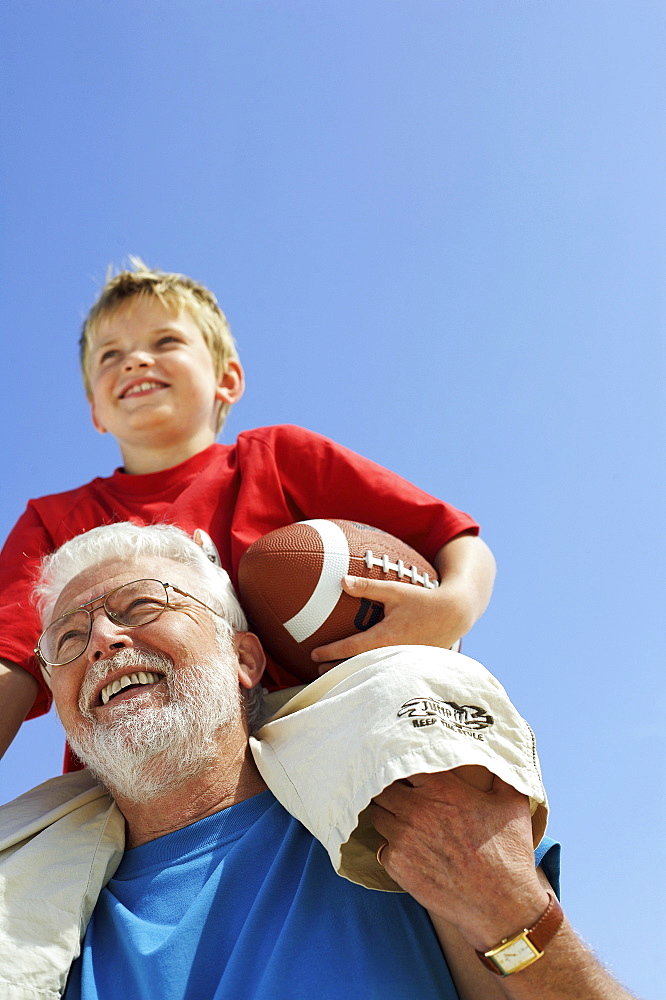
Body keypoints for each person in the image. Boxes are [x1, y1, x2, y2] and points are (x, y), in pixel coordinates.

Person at [0, 522, 637, 1000]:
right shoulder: (37, 930)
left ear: (243, 660)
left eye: (141, 607)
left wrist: (512, 913)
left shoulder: (400, 816)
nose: (103, 642)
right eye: (69, 642)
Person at [0, 258, 496, 768]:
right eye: (110, 355)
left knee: (441, 733)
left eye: (165, 342)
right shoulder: (52, 519)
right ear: (95, 413)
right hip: (132, 770)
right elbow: (9, 661)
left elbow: (453, 538)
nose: (135, 361)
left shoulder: (280, 457)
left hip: (312, 725)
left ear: (227, 379)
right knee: (37, 840)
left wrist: (455, 606)